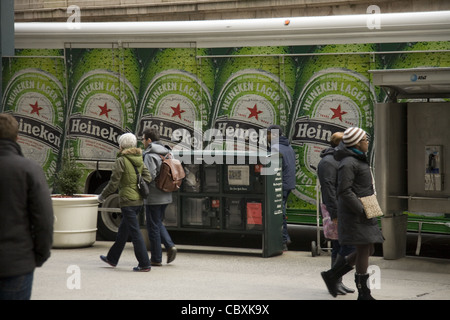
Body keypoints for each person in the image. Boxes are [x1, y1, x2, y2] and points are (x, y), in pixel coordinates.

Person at [321, 127, 384, 300]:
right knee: (364, 248)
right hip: (357, 213)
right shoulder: (349, 162)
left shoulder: (356, 159)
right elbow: (344, 191)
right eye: (365, 139)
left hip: (364, 211)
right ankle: (364, 293)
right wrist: (361, 209)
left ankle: (333, 274)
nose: (367, 142)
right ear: (357, 142)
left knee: (369, 247)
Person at [0, 113, 53, 300]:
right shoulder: (29, 170)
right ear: (17, 138)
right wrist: (38, 256)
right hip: (17, 264)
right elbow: (44, 220)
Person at [99, 133, 152, 272]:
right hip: (138, 201)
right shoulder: (139, 158)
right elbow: (148, 177)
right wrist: (137, 185)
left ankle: (144, 263)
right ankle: (112, 258)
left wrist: (102, 196)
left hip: (127, 201)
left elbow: (113, 183)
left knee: (135, 233)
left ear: (121, 145)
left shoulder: (121, 160)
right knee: (123, 231)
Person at [317, 132, 355, 295]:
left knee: (339, 245)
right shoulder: (328, 162)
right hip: (336, 210)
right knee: (346, 246)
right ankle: (334, 278)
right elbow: (328, 190)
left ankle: (337, 280)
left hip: (343, 208)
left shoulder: (339, 160)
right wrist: (335, 214)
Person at [142, 128, 177, 266]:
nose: (142, 142)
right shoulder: (168, 153)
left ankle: (156, 258)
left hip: (154, 196)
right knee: (157, 222)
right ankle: (169, 246)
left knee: (153, 227)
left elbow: (148, 176)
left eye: (143, 139)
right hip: (166, 194)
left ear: (149, 140)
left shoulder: (150, 155)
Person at [267, 125, 296, 251]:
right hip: (288, 183)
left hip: (280, 184)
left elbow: (272, 169)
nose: (265, 136)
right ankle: (284, 238)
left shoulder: (275, 148)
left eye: (267, 134)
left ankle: (283, 240)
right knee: (281, 211)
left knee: (279, 213)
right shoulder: (288, 146)